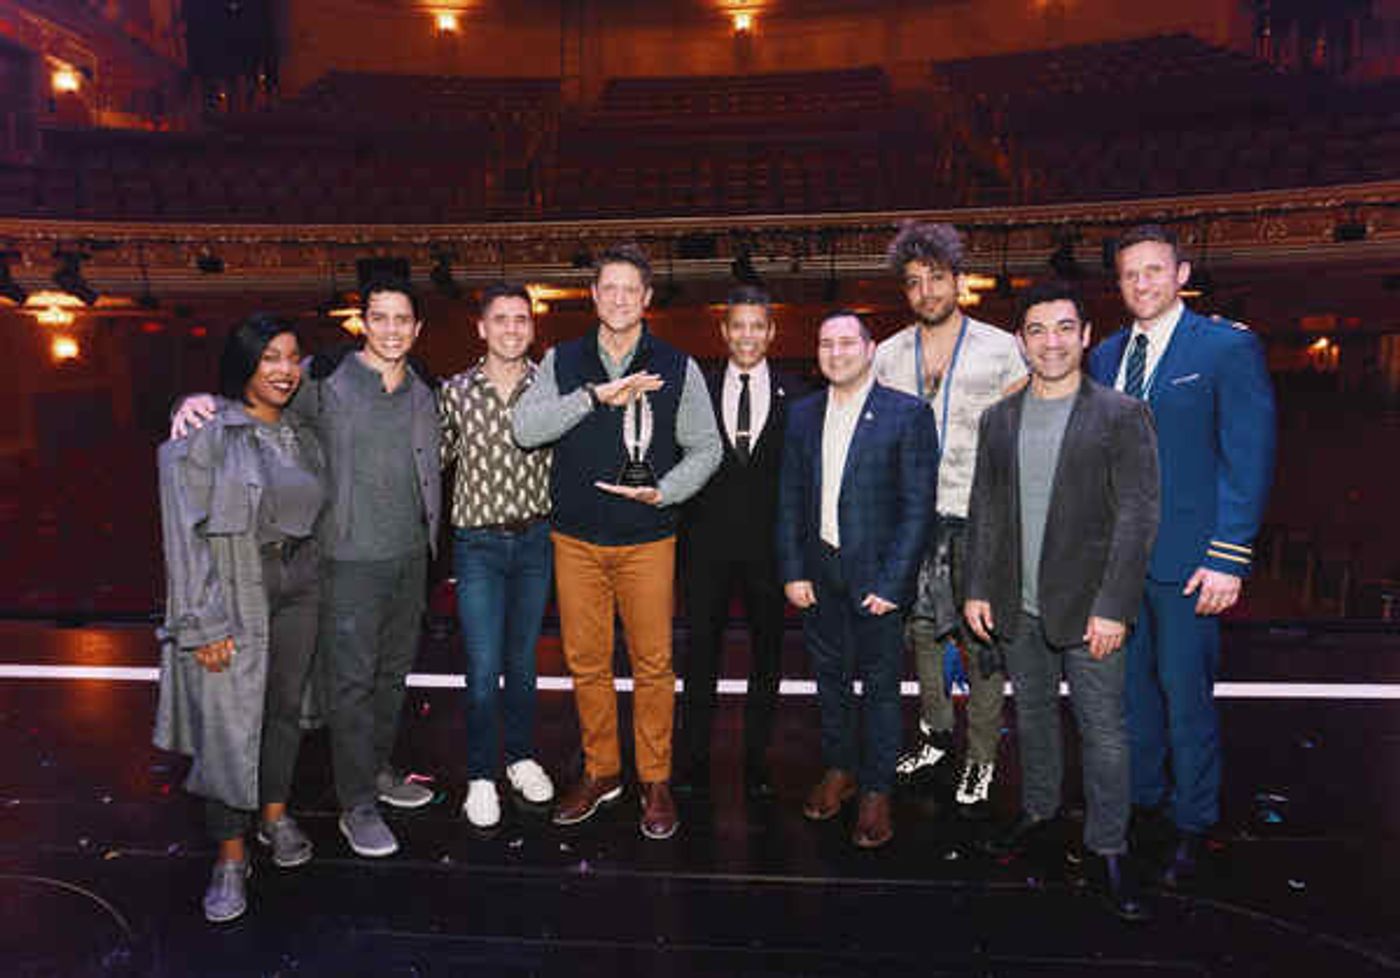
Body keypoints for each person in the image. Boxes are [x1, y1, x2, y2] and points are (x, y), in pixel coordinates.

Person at [171, 278, 443, 860]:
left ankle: (377, 772)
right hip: (346, 561)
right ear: (362, 323)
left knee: (391, 680)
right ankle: (356, 805)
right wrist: (194, 404)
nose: (392, 329)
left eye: (403, 320)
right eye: (380, 317)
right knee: (349, 685)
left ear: (417, 329)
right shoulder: (325, 382)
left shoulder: (424, 392)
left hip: (409, 559)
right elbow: (254, 401)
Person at [964, 282, 1159, 920]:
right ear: (1022, 340)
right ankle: (1040, 812)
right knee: (1036, 716)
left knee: (1104, 732)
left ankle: (1107, 847)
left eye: (1063, 328)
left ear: (1084, 334)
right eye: (1038, 330)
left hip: (1090, 607)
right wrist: (976, 589)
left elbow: (1137, 517)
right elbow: (986, 510)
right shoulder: (999, 418)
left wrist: (1115, 605)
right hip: (1016, 605)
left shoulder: (1121, 413)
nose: (1051, 342)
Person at [512, 243, 721, 840]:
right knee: (586, 663)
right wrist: (594, 397)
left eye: (633, 289)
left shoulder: (677, 365)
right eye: (610, 288)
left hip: (649, 538)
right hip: (575, 538)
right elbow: (526, 429)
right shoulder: (564, 359)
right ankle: (603, 771)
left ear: (647, 298)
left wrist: (666, 491)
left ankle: (655, 778)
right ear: (594, 295)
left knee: (654, 665)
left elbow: (706, 447)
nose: (621, 298)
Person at [1088, 224, 1276, 887]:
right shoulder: (1106, 355)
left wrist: (1228, 556)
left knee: (1186, 700)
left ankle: (1194, 822)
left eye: (1154, 271)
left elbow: (1247, 456)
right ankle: (1145, 806)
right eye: (1129, 274)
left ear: (1181, 272)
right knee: (1131, 700)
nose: (1141, 283)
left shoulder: (1226, 347)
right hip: (1119, 565)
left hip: (1192, 562)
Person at [156, 315, 325, 923]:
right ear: (244, 367)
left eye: (291, 358)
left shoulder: (304, 432)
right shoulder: (204, 434)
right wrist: (203, 622)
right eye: (269, 359)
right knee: (229, 725)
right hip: (235, 588)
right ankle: (229, 854)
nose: (283, 370)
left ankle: (274, 816)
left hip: (301, 585)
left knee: (283, 711)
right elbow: (183, 535)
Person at [872, 221, 1026, 814]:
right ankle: (936, 736)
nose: (927, 292)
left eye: (937, 279)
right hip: (913, 520)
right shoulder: (887, 354)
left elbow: (1018, 438)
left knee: (979, 640)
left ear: (959, 281)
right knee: (921, 635)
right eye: (914, 283)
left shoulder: (999, 348)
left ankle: (982, 757)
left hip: (978, 516)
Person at [776, 310, 939, 848]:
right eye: (826, 342)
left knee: (883, 690)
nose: (836, 351)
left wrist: (894, 584)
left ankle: (875, 790)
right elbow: (790, 500)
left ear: (870, 350)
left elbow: (919, 508)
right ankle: (840, 769)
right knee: (830, 683)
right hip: (819, 573)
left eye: (848, 342)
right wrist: (794, 570)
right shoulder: (801, 414)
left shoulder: (907, 414)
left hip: (877, 580)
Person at [679, 284, 805, 802]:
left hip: (771, 552)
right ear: (724, 331)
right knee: (700, 657)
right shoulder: (697, 390)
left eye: (758, 325)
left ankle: (756, 761)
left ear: (771, 332)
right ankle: (694, 760)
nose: (748, 335)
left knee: (768, 659)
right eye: (739, 326)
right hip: (705, 550)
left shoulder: (798, 394)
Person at [439, 282, 555, 829]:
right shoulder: (454, 392)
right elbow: (426, 459)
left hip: (536, 542)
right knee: (484, 668)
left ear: (532, 328)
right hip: (479, 547)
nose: (512, 329)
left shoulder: (550, 388)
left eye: (521, 320)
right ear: (481, 328)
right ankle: (482, 773)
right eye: (501, 319)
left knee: (524, 663)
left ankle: (521, 757)